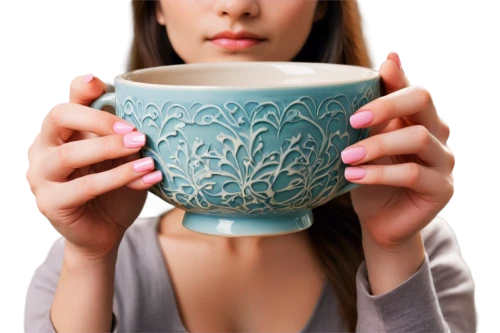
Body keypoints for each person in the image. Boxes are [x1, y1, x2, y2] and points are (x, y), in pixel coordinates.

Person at [24, 0, 476, 332]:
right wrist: (91, 258)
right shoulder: (83, 260)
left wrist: (392, 250)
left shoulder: (421, 251)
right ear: (155, 6)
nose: (236, 6)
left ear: (322, 5)